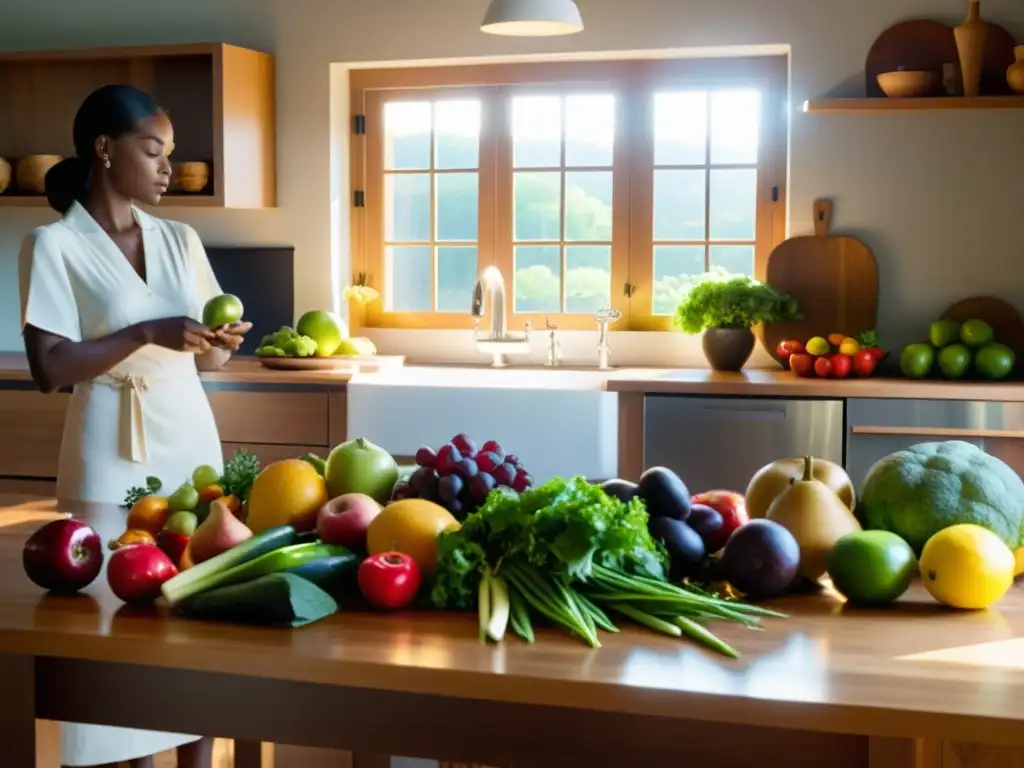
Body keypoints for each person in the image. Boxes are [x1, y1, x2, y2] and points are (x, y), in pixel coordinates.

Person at [18, 84, 251, 768]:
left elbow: (204, 352)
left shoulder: (180, 237)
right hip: (108, 441)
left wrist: (219, 343)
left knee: (197, 594)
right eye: (153, 150)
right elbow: (51, 366)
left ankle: (199, 763)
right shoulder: (53, 244)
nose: (166, 167)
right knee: (113, 614)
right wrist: (148, 328)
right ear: (103, 148)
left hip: (188, 433)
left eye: (170, 154)